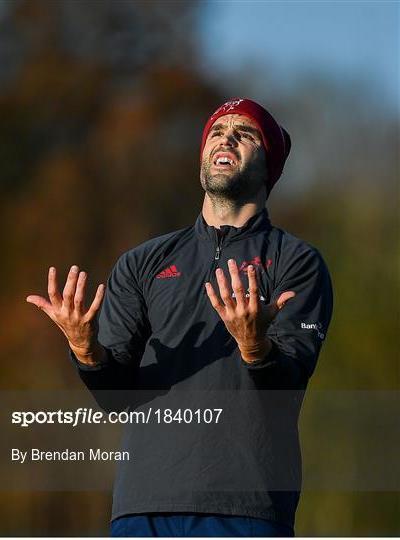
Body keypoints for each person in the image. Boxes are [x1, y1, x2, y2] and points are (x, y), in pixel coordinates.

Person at [27, 98, 333, 537]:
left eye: (244, 133)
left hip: (248, 508)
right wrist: (85, 349)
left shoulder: (297, 262)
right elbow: (115, 397)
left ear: (270, 167)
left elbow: (286, 387)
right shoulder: (142, 263)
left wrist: (254, 347)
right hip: (142, 507)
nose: (225, 137)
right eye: (216, 131)